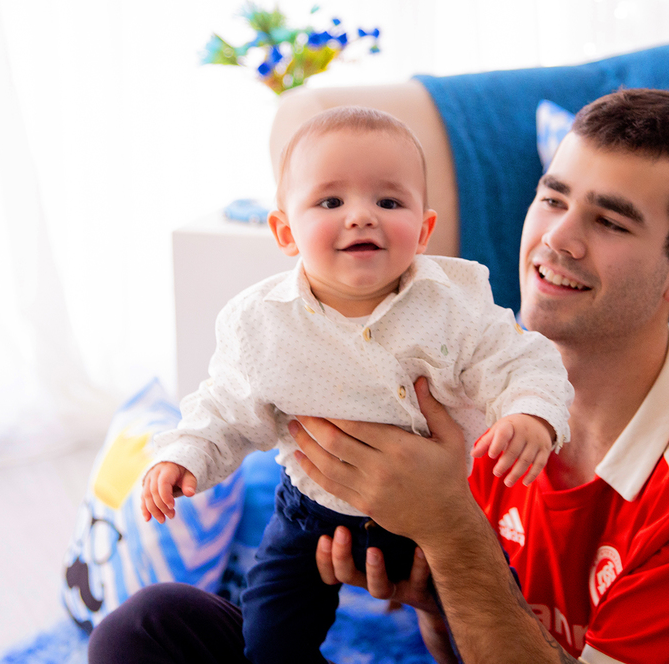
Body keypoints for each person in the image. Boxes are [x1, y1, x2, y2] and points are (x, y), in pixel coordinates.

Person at [89, 89, 669, 664]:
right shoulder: (467, 394)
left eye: (611, 222)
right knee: (152, 629)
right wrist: (436, 596)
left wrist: (450, 528)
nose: (557, 238)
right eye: (554, 197)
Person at [137, 106, 574, 664]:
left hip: (436, 518)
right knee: (269, 642)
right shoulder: (261, 322)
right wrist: (184, 456)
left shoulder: (454, 303)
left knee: (493, 627)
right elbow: (224, 407)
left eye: (389, 202)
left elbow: (519, 358)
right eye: (331, 202)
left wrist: (530, 412)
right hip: (309, 516)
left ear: (424, 229)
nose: (362, 216)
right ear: (285, 231)